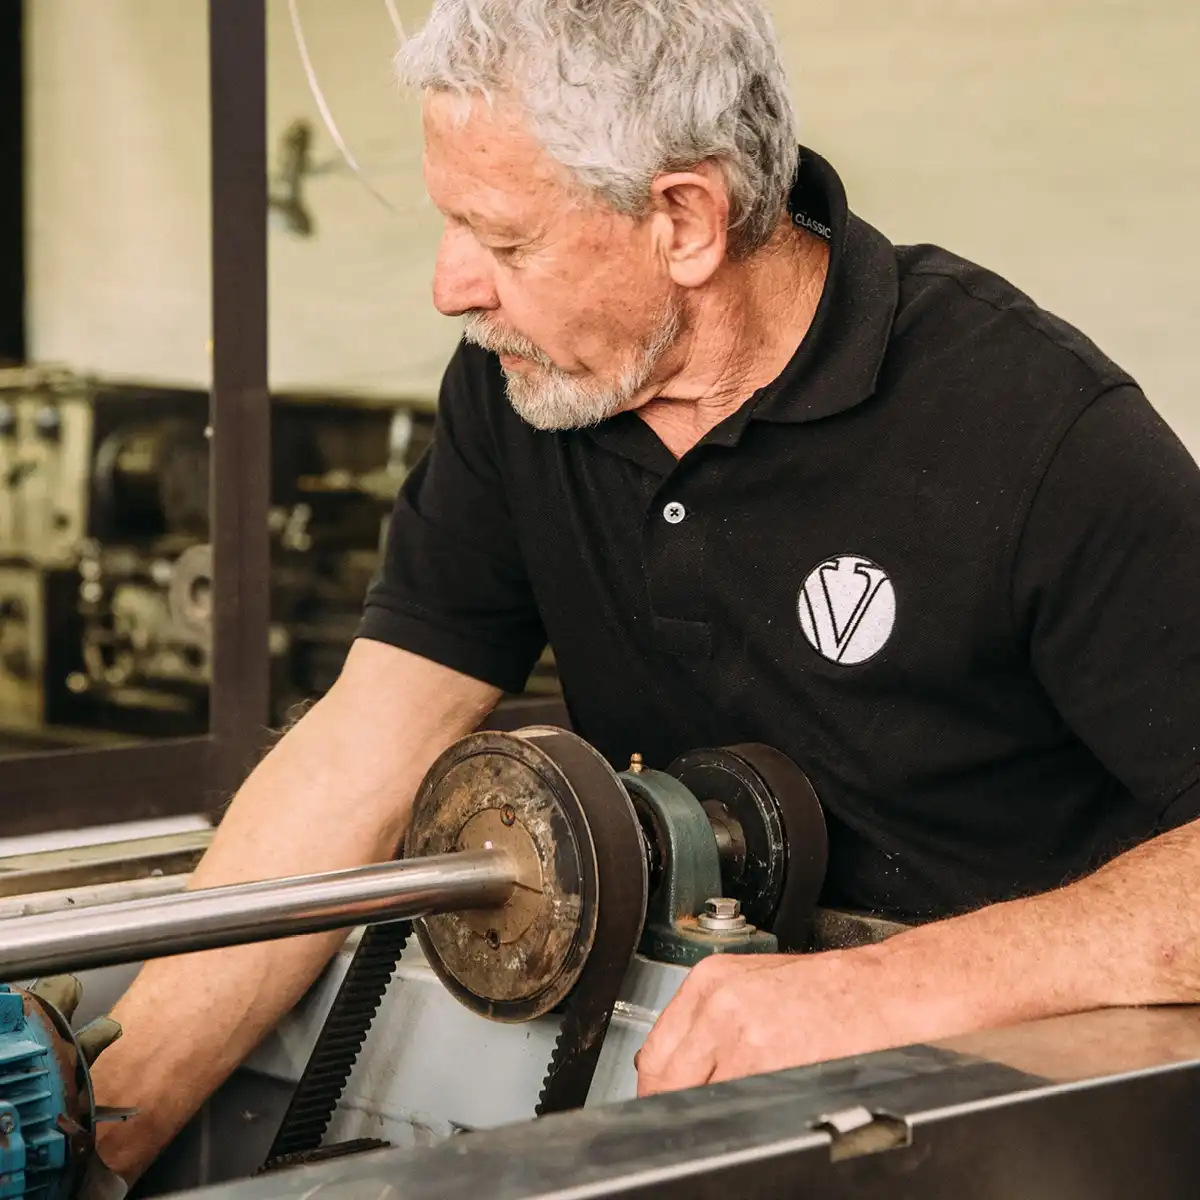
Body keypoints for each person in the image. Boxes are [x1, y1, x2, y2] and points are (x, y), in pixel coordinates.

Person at [90, 0, 1200, 1187]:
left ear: (684, 221)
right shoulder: (524, 395)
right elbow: (364, 746)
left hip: (1041, 1105)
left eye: (502, 241)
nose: (451, 286)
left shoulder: (1030, 428)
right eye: (449, 224)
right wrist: (101, 1135)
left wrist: (883, 987)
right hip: (704, 1059)